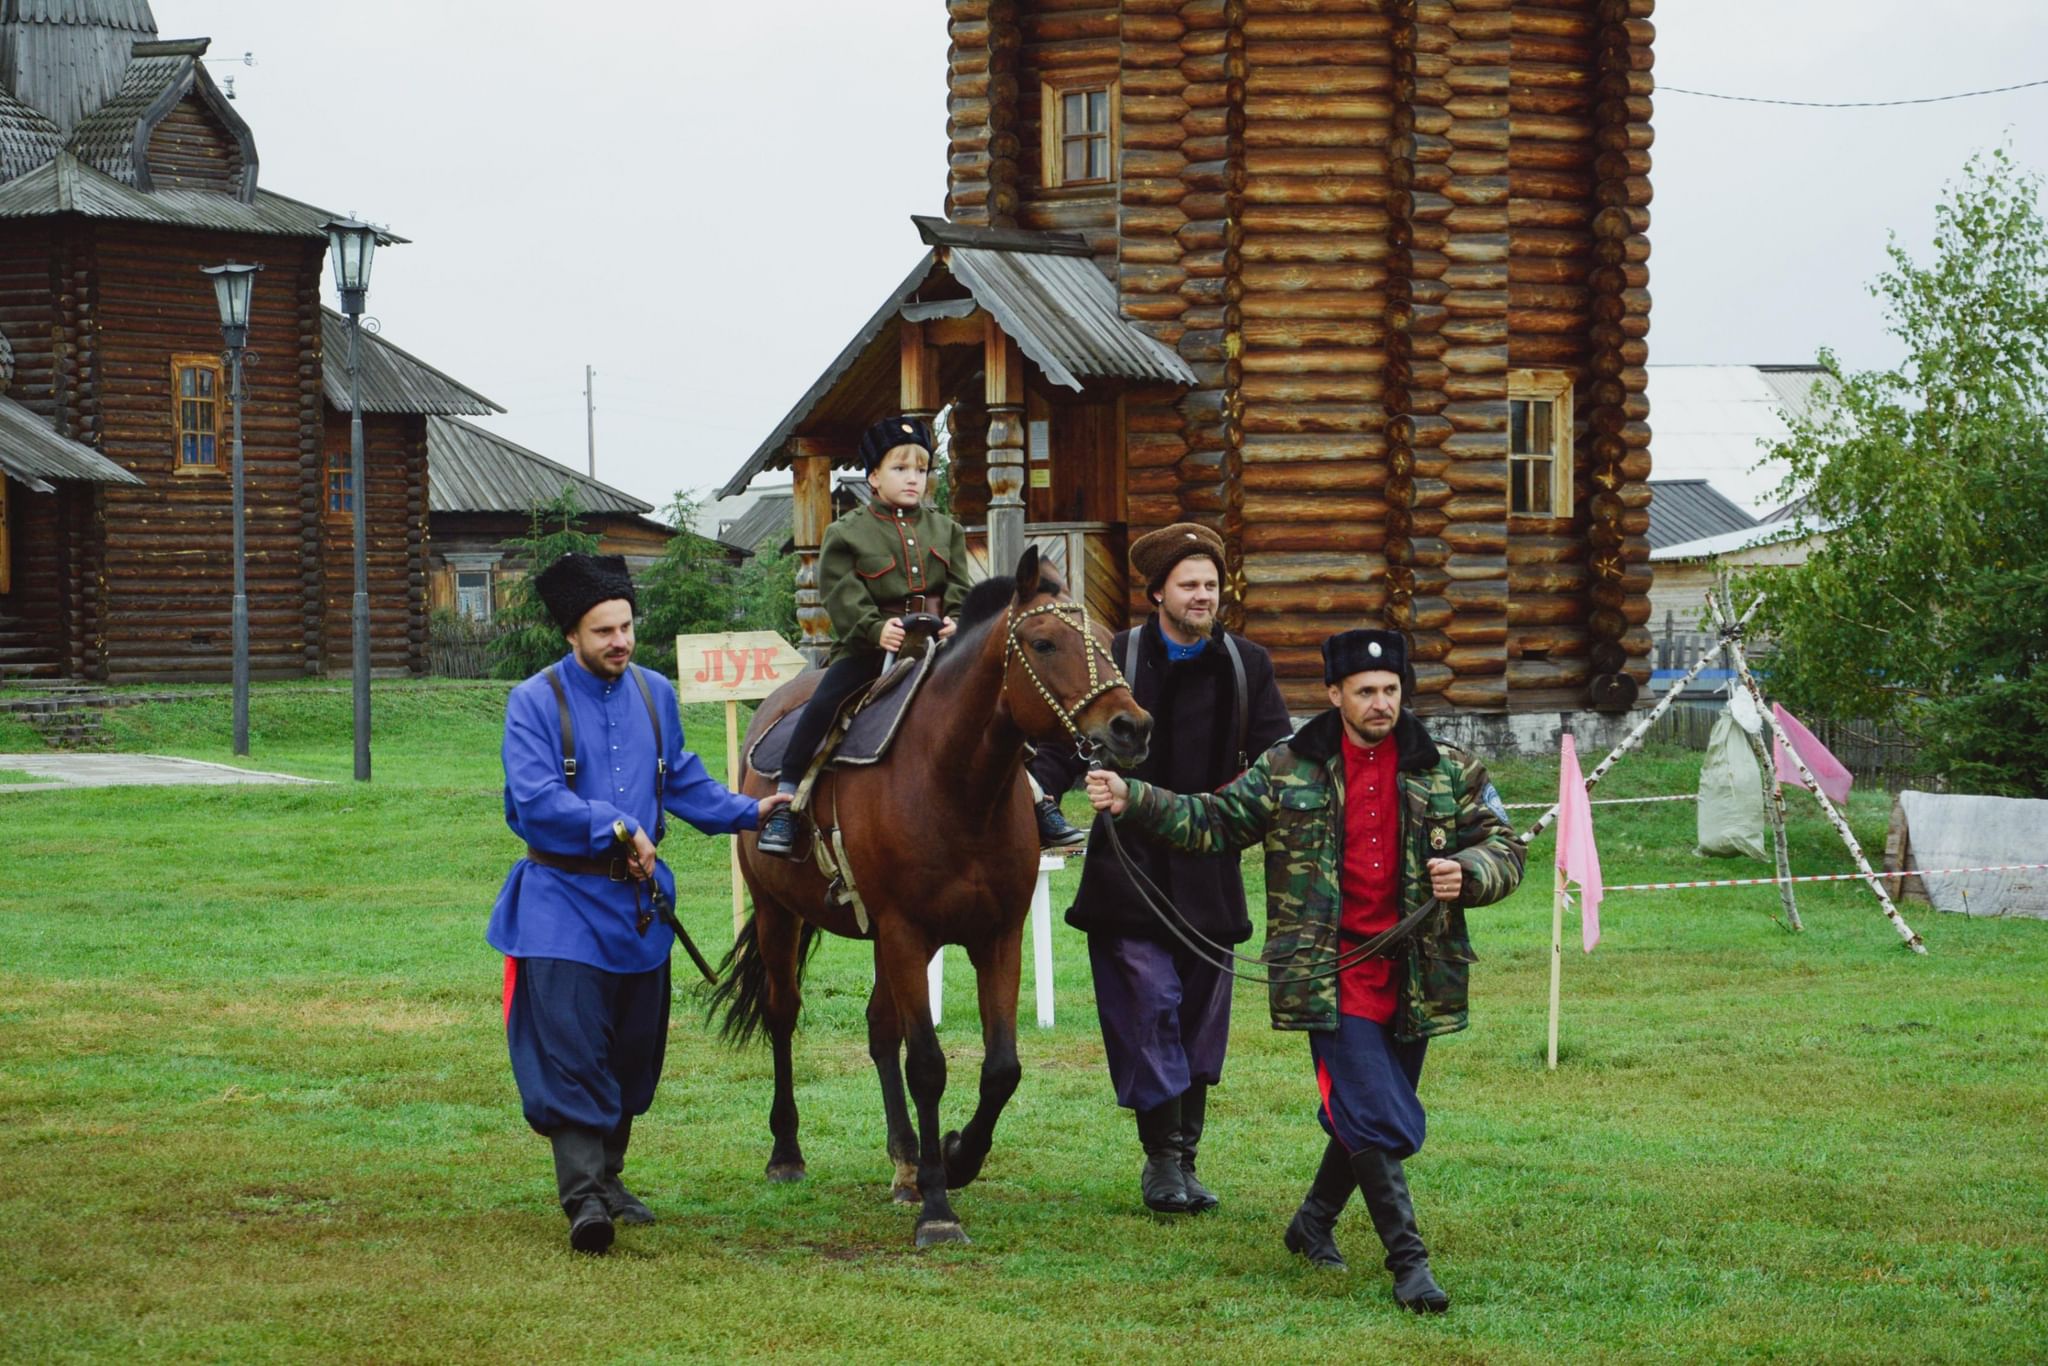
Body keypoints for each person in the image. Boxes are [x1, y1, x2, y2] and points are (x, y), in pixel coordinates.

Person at [1086, 628, 1525, 1311]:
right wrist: (1132, 797)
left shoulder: (1447, 766)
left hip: (1417, 973)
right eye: (1366, 692)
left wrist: (1468, 873)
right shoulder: (1290, 765)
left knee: (1370, 1114)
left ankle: (1313, 1221)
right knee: (1378, 1117)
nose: (1381, 704)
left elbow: (1503, 844)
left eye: (1391, 691)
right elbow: (1214, 820)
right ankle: (1410, 1266)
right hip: (1327, 975)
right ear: (1334, 695)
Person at [488, 552, 791, 1255]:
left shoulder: (655, 693)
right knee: (574, 1054)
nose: (620, 641)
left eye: (626, 626)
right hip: (559, 907)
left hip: (639, 913)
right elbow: (535, 803)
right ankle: (585, 1198)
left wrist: (752, 810)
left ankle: (612, 1177)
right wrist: (615, 827)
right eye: (603, 632)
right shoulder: (533, 702)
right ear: (572, 634)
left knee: (630, 1057)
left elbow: (683, 784)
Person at [1028, 523, 1291, 1213]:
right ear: (1158, 594)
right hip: (1128, 869)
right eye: (1190, 585)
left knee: (1202, 1017)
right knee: (1149, 1006)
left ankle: (1184, 1158)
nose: (1204, 596)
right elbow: (1070, 734)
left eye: (1211, 584)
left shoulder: (1247, 664)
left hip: (1211, 864)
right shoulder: (1115, 655)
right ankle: (1161, 1162)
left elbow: (1276, 758)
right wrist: (1038, 788)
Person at [757, 415, 968, 857]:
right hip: (869, 651)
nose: (913, 478)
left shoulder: (946, 530)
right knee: (823, 705)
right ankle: (788, 799)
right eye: (900, 468)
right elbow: (839, 592)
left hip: (937, 650)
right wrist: (875, 628)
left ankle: (1035, 794)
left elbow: (959, 589)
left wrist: (957, 620)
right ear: (873, 476)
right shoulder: (846, 532)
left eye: (921, 469)